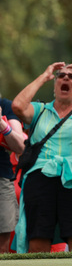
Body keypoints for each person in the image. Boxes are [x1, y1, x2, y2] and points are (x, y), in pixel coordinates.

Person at [11, 62, 72, 253]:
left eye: (71, 77)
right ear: (55, 86)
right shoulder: (40, 110)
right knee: (38, 239)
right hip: (40, 178)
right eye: (60, 76)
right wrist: (44, 76)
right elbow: (18, 106)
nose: (65, 78)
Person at [0, 98, 25, 253]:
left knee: (2, 245)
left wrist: (2, 125)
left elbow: (20, 147)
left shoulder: (4, 106)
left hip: (1, 177)